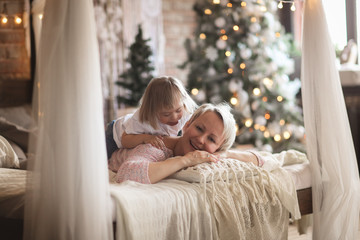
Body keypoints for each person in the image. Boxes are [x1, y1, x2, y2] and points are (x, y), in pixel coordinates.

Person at [108, 103, 264, 184]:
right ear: (187, 124)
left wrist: (225, 154)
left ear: (217, 148)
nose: (201, 140)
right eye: (199, 128)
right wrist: (185, 160)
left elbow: (260, 159)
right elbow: (127, 173)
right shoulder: (158, 146)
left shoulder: (212, 154)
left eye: (211, 139)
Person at [105, 76, 197, 159]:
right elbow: (124, 140)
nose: (174, 117)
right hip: (115, 134)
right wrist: (146, 138)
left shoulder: (185, 113)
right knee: (100, 160)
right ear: (152, 110)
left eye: (178, 110)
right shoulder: (142, 119)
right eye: (166, 114)